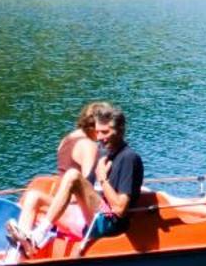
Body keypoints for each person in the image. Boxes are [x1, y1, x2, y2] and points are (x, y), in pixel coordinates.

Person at [20, 104, 144, 254]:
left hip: (108, 222)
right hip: (90, 216)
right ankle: (19, 250)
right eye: (98, 132)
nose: (100, 138)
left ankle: (40, 235)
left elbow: (120, 210)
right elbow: (87, 191)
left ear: (121, 130)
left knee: (73, 175)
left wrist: (103, 179)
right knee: (34, 196)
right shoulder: (105, 155)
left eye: (105, 132)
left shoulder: (128, 158)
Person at [10, 102, 109, 247]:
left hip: (61, 204)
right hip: (77, 210)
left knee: (33, 196)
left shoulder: (66, 140)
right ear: (97, 126)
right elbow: (86, 185)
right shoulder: (88, 146)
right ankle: (27, 241)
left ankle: (21, 246)